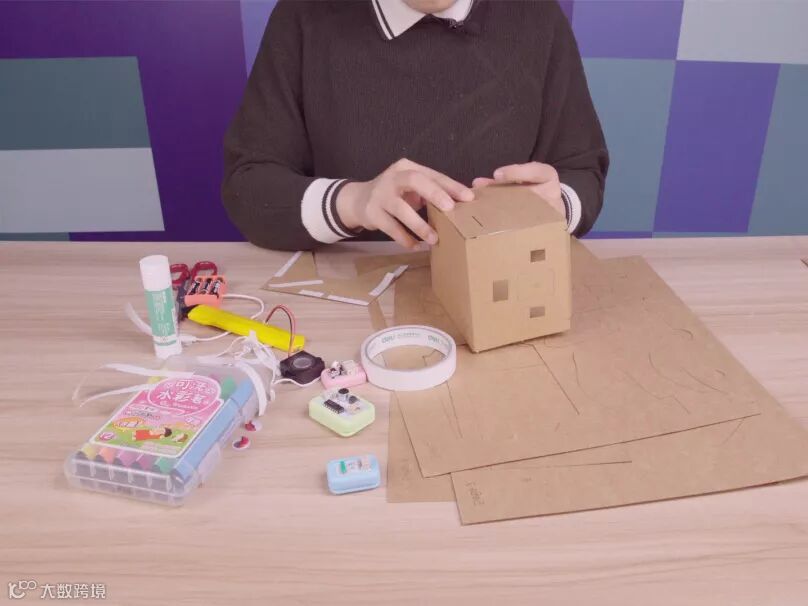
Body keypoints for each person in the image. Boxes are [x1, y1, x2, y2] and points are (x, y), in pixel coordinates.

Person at [223, 0, 608, 251]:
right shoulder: (304, 15)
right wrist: (354, 202)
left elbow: (582, 171)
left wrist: (557, 204)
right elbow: (248, 188)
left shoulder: (537, 15)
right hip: (349, 296)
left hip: (501, 287)